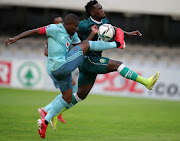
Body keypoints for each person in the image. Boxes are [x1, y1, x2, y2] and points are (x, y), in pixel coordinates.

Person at [5, 13, 126, 138]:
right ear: (68, 24)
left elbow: (84, 43)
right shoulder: (54, 29)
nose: (77, 29)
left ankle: (44, 121)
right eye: (75, 26)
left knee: (67, 98)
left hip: (62, 71)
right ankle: (118, 44)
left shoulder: (71, 34)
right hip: (60, 66)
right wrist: (16, 38)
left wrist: (92, 33)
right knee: (86, 47)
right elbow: (34, 31)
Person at [45, 0, 160, 129]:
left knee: (80, 95)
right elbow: (71, 35)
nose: (102, 10)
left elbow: (114, 29)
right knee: (118, 65)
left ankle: (55, 114)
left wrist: (128, 33)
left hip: (93, 60)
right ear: (92, 12)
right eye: (99, 9)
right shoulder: (83, 25)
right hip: (87, 59)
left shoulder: (105, 22)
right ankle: (146, 82)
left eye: (101, 8)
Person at [38, 15, 77, 127]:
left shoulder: (66, 34)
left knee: (68, 91)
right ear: (53, 24)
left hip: (60, 66)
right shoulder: (53, 35)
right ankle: (47, 109)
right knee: (72, 89)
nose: (59, 24)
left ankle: (55, 110)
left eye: (61, 22)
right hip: (55, 67)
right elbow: (46, 52)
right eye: (57, 22)